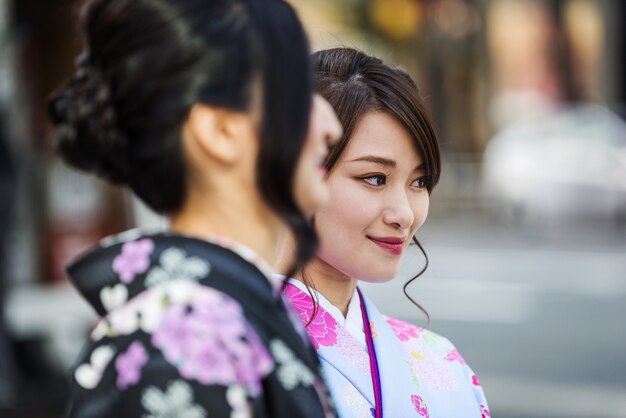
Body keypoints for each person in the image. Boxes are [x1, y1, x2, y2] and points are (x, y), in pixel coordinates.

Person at [47, 1, 342, 417]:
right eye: (299, 91)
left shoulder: (202, 319)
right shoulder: (183, 338)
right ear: (220, 130)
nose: (331, 125)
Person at [279, 48, 490, 417]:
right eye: (374, 178)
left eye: (419, 181)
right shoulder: (226, 348)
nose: (405, 214)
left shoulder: (440, 361)